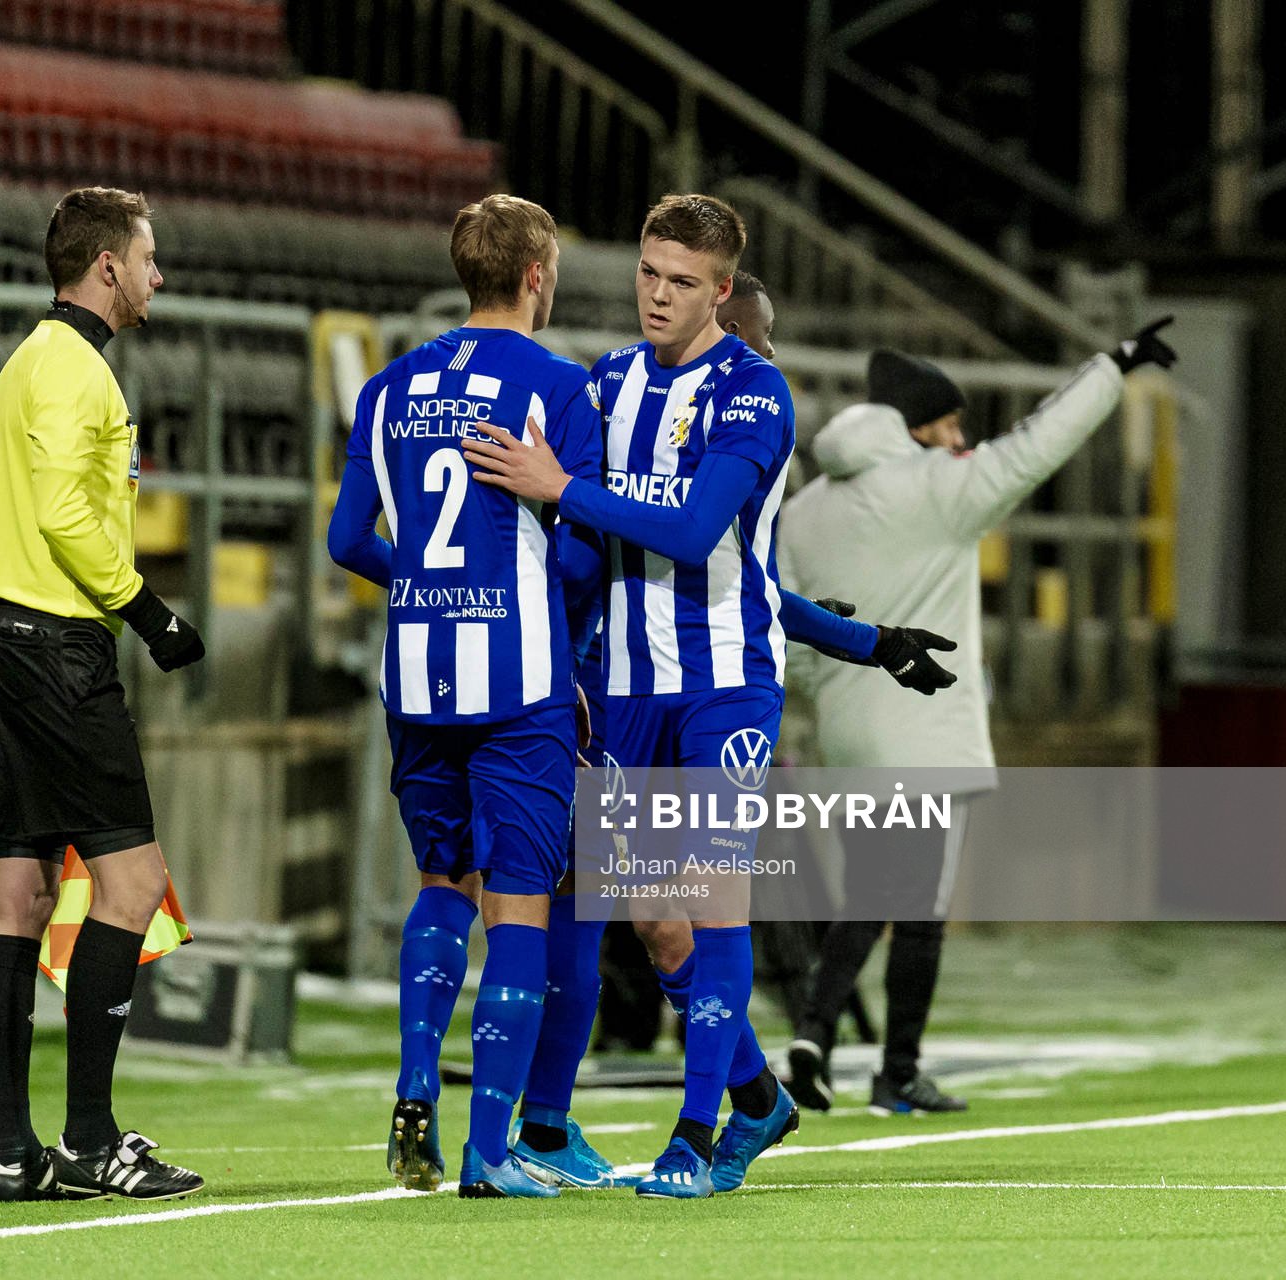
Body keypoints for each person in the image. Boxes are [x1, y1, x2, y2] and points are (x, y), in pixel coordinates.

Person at [461, 195, 956, 1199]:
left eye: (681, 281)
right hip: (622, 690)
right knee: (641, 918)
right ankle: (739, 1101)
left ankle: (695, 1138)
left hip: (724, 693)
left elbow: (693, 535)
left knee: (709, 907)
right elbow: (589, 548)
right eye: (647, 272)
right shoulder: (606, 381)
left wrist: (560, 488)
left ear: (722, 292)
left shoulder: (753, 395)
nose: (656, 294)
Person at [780, 323, 1177, 1116]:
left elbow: (782, 620)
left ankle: (813, 1039)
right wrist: (1114, 365)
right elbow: (1040, 443)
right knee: (920, 906)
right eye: (951, 424)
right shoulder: (940, 487)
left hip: (847, 727)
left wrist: (828, 689)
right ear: (917, 424)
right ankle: (896, 1071)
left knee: (870, 890)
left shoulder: (803, 508)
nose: (960, 438)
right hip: (923, 728)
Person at [327, 193, 605, 1199]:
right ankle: (491, 1148)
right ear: (538, 275)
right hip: (520, 678)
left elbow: (346, 537)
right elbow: (580, 552)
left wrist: (424, 582)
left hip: (418, 672)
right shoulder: (561, 388)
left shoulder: (392, 386)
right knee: (520, 901)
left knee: (441, 882)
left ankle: (413, 1081)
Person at [0, 187, 205, 1204]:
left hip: (2, 636)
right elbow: (64, 510)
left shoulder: (26, 363)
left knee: (15, 892)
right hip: (58, 645)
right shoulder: (76, 371)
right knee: (132, 882)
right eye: (148, 258)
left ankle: (14, 1152)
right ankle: (94, 1136)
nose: (156, 276)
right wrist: (145, 611)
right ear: (106, 266)